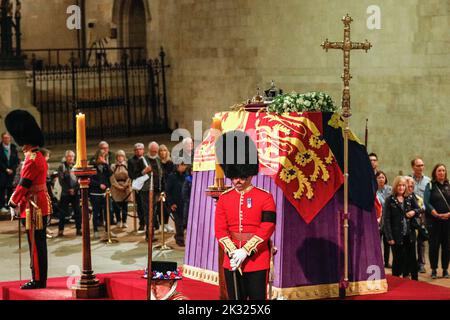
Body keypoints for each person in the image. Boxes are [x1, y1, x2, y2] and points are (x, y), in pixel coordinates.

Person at [215, 130, 276, 300]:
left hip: (257, 259)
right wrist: (233, 252)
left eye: (241, 177)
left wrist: (246, 251)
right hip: (232, 259)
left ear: (250, 173)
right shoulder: (224, 198)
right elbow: (220, 230)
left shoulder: (265, 197)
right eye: (233, 177)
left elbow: (267, 227)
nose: (237, 181)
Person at [5, 110, 52, 290]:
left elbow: (24, 185)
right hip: (36, 203)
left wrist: (12, 202)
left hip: (33, 206)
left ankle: (38, 280)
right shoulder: (34, 156)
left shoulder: (32, 158)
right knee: (36, 243)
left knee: (35, 245)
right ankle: (38, 278)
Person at [383, 176, 420, 281]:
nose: (401, 188)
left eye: (403, 185)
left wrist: (414, 212)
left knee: (412, 258)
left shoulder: (410, 197)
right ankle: (396, 280)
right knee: (398, 259)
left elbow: (419, 209)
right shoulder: (389, 200)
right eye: (399, 185)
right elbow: (386, 220)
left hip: (409, 233)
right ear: (395, 186)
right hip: (396, 235)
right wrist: (389, 237)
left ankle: (414, 280)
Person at [423, 163, 450, 279]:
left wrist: (448, 214)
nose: (441, 173)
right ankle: (433, 269)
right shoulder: (430, 185)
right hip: (434, 221)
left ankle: (445, 269)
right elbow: (426, 201)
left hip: (448, 221)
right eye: (439, 171)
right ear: (435, 172)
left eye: (443, 170)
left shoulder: (449, 186)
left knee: (447, 246)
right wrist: (434, 212)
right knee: (434, 246)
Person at [134, 142, 162, 241]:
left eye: (155, 151)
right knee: (148, 213)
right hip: (146, 191)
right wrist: (144, 171)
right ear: (149, 150)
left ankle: (152, 233)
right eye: (152, 151)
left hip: (156, 190)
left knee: (154, 213)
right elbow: (135, 175)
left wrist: (161, 189)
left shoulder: (158, 159)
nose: (154, 153)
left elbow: (160, 175)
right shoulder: (142, 160)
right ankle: (149, 235)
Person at [409, 157, 431, 273]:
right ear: (413, 167)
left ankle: (421, 263)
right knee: (410, 239)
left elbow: (429, 199)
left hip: (423, 214)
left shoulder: (428, 181)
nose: (421, 167)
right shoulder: (408, 179)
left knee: (421, 240)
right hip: (411, 213)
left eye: (422, 165)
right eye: (418, 165)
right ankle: (411, 262)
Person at [57, 150, 81, 236]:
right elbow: (61, 180)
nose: (71, 158)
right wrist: (69, 189)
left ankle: (79, 229)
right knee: (63, 212)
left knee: (77, 211)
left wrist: (74, 189)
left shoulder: (77, 166)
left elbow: (79, 180)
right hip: (65, 193)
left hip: (75, 193)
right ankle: (60, 230)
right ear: (66, 157)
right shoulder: (62, 167)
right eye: (69, 156)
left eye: (72, 156)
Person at [89, 150, 112, 239]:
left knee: (108, 212)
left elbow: (110, 174)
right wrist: (99, 185)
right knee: (96, 212)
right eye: (101, 157)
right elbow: (90, 180)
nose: (103, 159)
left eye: (104, 157)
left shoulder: (105, 166)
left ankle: (108, 231)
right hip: (95, 193)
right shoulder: (92, 167)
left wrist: (106, 164)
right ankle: (95, 231)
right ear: (97, 157)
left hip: (105, 193)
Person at [166, 161, 188, 247]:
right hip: (176, 204)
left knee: (185, 223)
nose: (184, 167)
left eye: (185, 165)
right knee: (179, 222)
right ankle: (180, 239)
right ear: (177, 166)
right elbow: (168, 191)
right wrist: (171, 203)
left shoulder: (187, 176)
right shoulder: (172, 176)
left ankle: (178, 235)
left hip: (185, 203)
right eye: (182, 165)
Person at [110, 150, 132, 229]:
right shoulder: (113, 166)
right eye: (118, 156)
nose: (120, 158)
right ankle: (118, 220)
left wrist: (126, 185)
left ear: (124, 157)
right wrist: (118, 186)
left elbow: (130, 176)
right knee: (116, 206)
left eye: (121, 156)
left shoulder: (127, 165)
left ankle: (125, 221)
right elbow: (112, 177)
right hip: (116, 188)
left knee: (124, 206)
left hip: (125, 187)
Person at [128, 143, 146, 232]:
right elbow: (131, 175)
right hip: (138, 186)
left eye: (140, 149)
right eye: (137, 149)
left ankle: (153, 223)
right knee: (140, 206)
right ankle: (142, 223)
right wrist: (142, 173)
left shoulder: (146, 159)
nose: (139, 151)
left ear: (143, 150)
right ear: (134, 151)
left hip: (147, 186)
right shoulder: (131, 161)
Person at [376, 171, 392, 268]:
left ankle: (387, 261)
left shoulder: (389, 189)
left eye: (383, 177)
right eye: (379, 177)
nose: (381, 179)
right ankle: (378, 261)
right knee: (377, 241)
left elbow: (388, 202)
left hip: (387, 218)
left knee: (387, 242)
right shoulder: (373, 190)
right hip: (377, 218)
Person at [0, 132, 20, 213]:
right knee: (1, 189)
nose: (6, 139)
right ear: (2, 139)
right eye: (5, 138)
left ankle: (9, 206)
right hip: (2, 172)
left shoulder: (13, 147)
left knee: (10, 189)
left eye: (8, 137)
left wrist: (12, 169)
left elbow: (16, 160)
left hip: (12, 172)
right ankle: (1, 206)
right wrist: (6, 169)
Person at [158, 144, 174, 232]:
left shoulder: (170, 163)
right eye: (161, 150)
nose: (163, 152)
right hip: (159, 187)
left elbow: (170, 175)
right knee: (160, 207)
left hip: (168, 187)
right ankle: (161, 224)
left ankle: (167, 224)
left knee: (167, 206)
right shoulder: (158, 162)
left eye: (164, 150)